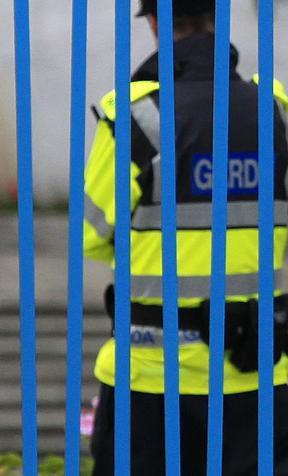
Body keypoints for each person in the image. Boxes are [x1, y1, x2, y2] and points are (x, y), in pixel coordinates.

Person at [84, 0, 288, 474]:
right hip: (256, 373)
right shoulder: (273, 114)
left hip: (152, 378)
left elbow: (94, 235)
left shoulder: (137, 118)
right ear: (216, 19)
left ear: (154, 22)